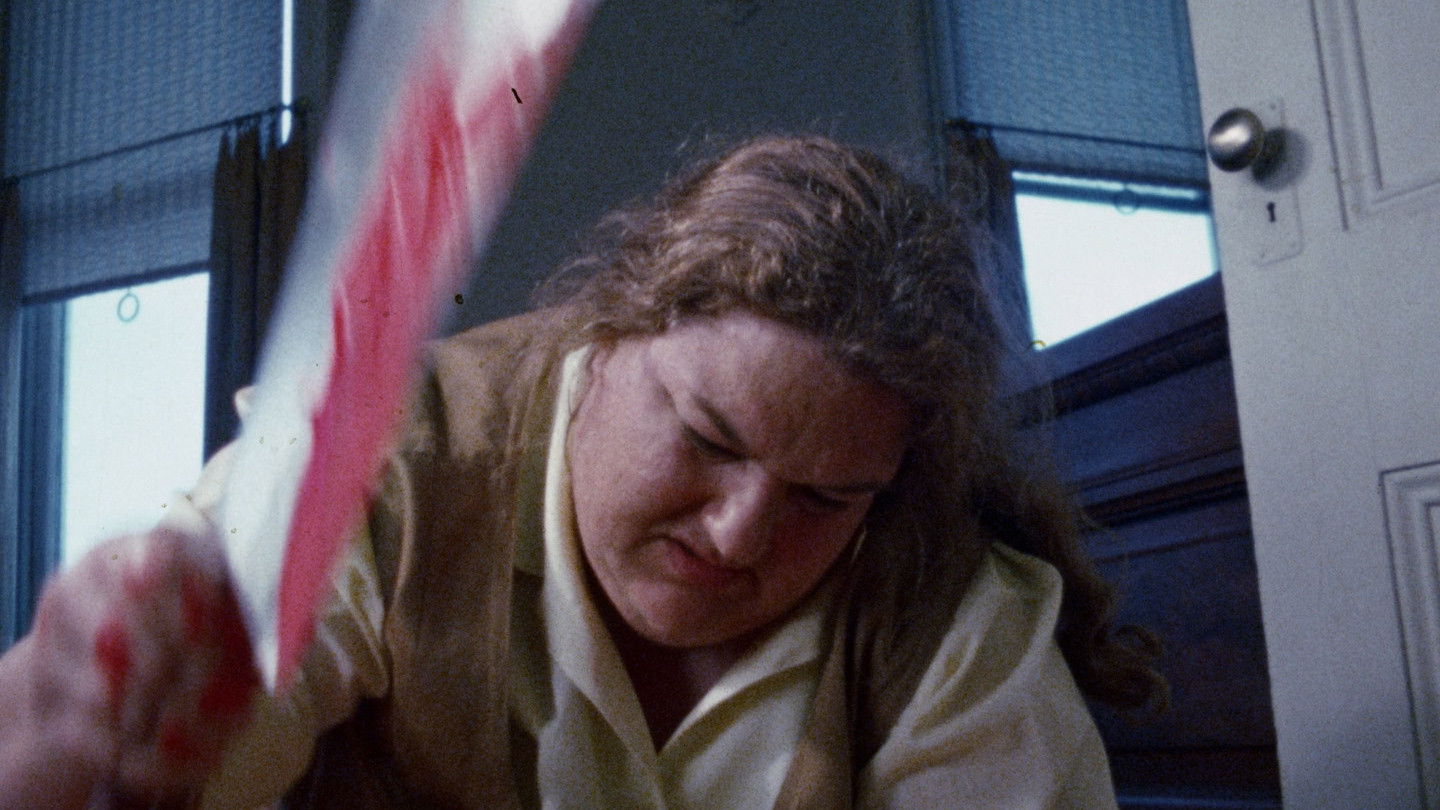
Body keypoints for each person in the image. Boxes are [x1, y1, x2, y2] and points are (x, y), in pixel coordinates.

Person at [0, 134, 1166, 808]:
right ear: (601, 344)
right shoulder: (373, 465)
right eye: (708, 440)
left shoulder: (951, 615)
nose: (740, 534)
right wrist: (71, 728)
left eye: (824, 497)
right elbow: (95, 763)